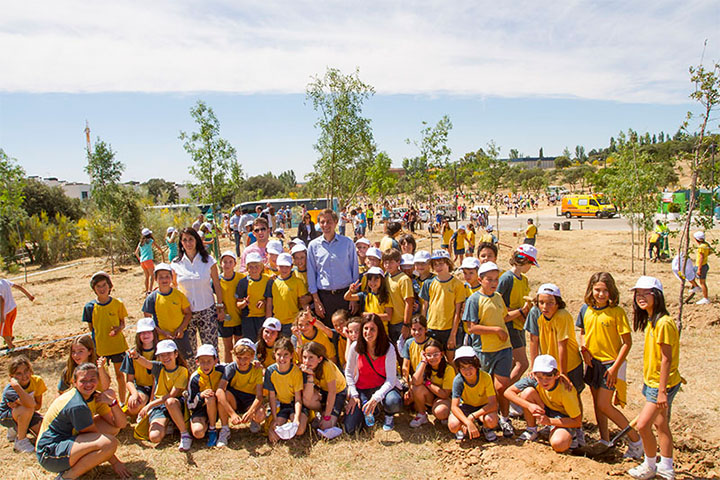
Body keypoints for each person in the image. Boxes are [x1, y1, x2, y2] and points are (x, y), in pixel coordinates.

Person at [577, 272, 642, 458]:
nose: (601, 294)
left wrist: (614, 368)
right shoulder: (585, 309)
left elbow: (627, 343)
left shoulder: (617, 312)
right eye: (597, 290)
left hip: (610, 364)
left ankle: (635, 439)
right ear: (591, 290)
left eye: (605, 291)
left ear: (611, 291)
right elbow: (582, 331)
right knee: (598, 404)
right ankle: (605, 440)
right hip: (592, 363)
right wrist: (584, 349)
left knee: (605, 405)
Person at [627, 276, 682, 480]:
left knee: (643, 426)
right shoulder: (652, 321)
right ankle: (666, 467)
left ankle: (650, 465)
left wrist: (661, 391)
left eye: (645, 293)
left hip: (661, 385)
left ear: (656, 295)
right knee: (661, 425)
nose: (640, 298)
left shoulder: (664, 323)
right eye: (637, 294)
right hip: (653, 382)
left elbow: (666, 359)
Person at [36, 363, 129, 479]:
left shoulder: (94, 397)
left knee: (112, 427)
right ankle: (67, 477)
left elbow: (121, 424)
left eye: (92, 379)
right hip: (49, 454)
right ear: (74, 382)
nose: (88, 384)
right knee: (109, 443)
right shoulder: (77, 405)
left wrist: (113, 403)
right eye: (83, 381)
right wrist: (115, 462)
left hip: (67, 440)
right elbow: (94, 436)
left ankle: (82, 463)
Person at [525, 283, 586, 444]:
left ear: (558, 303)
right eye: (542, 302)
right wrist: (534, 366)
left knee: (573, 394)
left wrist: (563, 372)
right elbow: (533, 340)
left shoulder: (562, 316)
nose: (545, 306)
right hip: (548, 365)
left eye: (550, 302)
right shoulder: (535, 314)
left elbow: (562, 345)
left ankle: (578, 429)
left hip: (569, 364)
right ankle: (554, 421)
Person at [462, 262, 514, 438]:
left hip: (503, 348)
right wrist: (496, 331)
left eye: (496, 279)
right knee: (485, 387)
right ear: (480, 280)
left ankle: (505, 418)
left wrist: (524, 311)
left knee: (502, 386)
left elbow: (505, 317)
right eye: (489, 279)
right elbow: (472, 328)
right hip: (484, 350)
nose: (493, 283)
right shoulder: (474, 300)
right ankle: (484, 420)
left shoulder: (498, 297)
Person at [504, 355, 582, 453]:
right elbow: (508, 392)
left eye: (548, 376)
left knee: (559, 444)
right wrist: (529, 405)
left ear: (556, 375)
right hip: (546, 407)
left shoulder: (565, 391)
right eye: (539, 377)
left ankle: (570, 436)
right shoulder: (533, 379)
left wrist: (549, 421)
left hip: (564, 417)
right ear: (534, 374)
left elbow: (577, 421)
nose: (544, 381)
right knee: (527, 392)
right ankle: (531, 430)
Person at [171, 227, 225, 358]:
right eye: (185, 240)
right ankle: (192, 377)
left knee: (210, 349)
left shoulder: (208, 261)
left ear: (196, 241)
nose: (188, 243)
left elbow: (217, 285)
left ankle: (212, 376)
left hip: (207, 310)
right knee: (188, 350)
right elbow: (174, 286)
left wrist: (220, 306)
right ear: (181, 243)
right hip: (185, 313)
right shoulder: (175, 264)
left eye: (191, 239)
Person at [344, 314, 402, 433]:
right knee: (350, 429)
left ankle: (388, 414)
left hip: (383, 387)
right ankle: (372, 410)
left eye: (372, 329)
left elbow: (391, 379)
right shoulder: (355, 347)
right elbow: (349, 372)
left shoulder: (388, 348)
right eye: (365, 328)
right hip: (362, 389)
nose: (368, 332)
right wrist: (354, 395)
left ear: (379, 331)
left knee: (394, 402)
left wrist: (376, 398)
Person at [132, 339, 192, 451]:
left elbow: (171, 395)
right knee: (155, 437)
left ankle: (185, 435)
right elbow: (146, 363)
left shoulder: (182, 370)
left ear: (176, 354)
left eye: (168, 354)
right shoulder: (159, 367)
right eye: (161, 355)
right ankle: (169, 423)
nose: (165, 358)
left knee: (170, 402)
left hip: (175, 404)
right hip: (160, 406)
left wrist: (149, 405)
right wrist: (136, 356)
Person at [307, 209, 360, 326]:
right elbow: (311, 274)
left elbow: (354, 270)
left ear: (336, 222)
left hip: (345, 296)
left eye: (329, 221)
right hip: (325, 298)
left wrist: (353, 297)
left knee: (348, 332)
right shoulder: (313, 246)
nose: (325, 225)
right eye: (322, 222)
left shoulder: (347, 243)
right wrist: (316, 301)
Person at [82, 271, 128, 403]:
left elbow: (122, 323)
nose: (102, 289)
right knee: (103, 379)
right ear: (94, 289)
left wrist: (118, 329)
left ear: (110, 286)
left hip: (117, 346)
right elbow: (92, 328)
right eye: (98, 287)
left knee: (120, 376)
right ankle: (106, 403)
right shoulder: (89, 307)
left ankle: (123, 402)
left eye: (104, 285)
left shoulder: (118, 304)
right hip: (100, 348)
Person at [497, 245, 538, 384]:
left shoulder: (524, 279)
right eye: (530, 264)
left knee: (514, 363)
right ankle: (505, 392)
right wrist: (520, 311)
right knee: (523, 364)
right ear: (524, 261)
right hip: (509, 325)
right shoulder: (506, 278)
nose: (530, 267)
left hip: (520, 324)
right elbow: (497, 303)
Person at [216, 339, 265, 447]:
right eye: (239, 357)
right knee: (222, 396)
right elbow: (219, 391)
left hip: (249, 400)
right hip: (235, 398)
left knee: (260, 414)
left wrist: (251, 411)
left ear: (252, 357)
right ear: (234, 356)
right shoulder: (231, 368)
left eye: (246, 358)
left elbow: (259, 396)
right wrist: (232, 414)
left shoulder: (256, 370)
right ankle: (225, 429)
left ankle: (254, 421)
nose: (242, 361)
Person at [142, 263, 193, 364]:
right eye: (161, 277)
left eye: (167, 276)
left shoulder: (179, 295)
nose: (164, 280)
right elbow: (147, 321)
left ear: (171, 278)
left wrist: (181, 329)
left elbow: (188, 313)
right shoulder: (152, 298)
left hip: (180, 336)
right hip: (162, 338)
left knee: (185, 362)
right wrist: (162, 332)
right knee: (167, 362)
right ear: (155, 279)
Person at [419, 250, 465, 358]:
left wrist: (453, 335)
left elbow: (457, 312)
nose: (438, 267)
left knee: (451, 359)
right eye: (435, 264)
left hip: (449, 329)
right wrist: (423, 327)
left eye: (441, 263)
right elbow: (425, 307)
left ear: (448, 263)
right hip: (431, 328)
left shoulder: (457, 285)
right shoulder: (428, 283)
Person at [448, 346, 498, 441]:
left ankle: (486, 428)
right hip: (466, 406)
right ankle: (463, 427)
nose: (467, 371)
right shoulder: (458, 380)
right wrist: (467, 421)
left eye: (470, 367)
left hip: (483, 407)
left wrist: (472, 416)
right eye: (463, 367)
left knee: (490, 420)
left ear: (476, 365)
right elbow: (454, 406)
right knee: (453, 425)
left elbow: (493, 404)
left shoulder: (485, 377)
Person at [300, 342, 347, 439]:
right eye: (304, 357)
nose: (306, 361)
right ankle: (322, 412)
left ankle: (332, 412)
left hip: (337, 392)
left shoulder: (327, 366)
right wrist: (310, 376)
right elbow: (307, 397)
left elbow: (332, 392)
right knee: (306, 399)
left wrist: (327, 417)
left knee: (326, 427)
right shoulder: (306, 368)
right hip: (322, 390)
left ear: (320, 359)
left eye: (311, 357)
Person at [264, 337, 307, 443]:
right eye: (279, 355)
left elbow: (298, 399)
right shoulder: (270, 371)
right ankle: (283, 421)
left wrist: (296, 418)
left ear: (291, 355)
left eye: (286, 355)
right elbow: (272, 397)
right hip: (281, 405)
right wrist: (274, 418)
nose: (282, 358)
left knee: (299, 430)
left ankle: (304, 417)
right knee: (273, 437)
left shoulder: (296, 372)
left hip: (294, 405)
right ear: (274, 354)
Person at [0, 355, 46, 453]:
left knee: (45, 434)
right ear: (12, 377)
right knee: (25, 408)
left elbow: (36, 406)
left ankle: (17, 428)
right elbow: (30, 405)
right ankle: (21, 441)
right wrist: (16, 386)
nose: (24, 376)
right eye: (19, 374)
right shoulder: (11, 389)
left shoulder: (37, 381)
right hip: (6, 416)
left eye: (26, 371)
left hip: (28, 413)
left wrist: (25, 404)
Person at [408, 339, 455, 428]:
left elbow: (444, 394)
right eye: (429, 355)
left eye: (436, 354)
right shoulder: (424, 364)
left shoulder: (448, 369)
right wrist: (423, 361)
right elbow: (415, 381)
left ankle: (446, 414)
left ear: (442, 354)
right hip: (431, 396)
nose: (432, 358)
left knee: (440, 412)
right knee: (416, 387)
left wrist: (427, 383)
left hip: (444, 398)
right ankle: (422, 415)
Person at [265, 253, 311, 336]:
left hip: (293, 322)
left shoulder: (298, 282)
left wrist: (307, 319)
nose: (284, 269)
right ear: (277, 266)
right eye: (281, 266)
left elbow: (304, 302)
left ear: (291, 266)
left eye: (287, 266)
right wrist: (268, 321)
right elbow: (269, 304)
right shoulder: (272, 282)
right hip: (277, 322)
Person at [187, 344, 224, 447]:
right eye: (202, 361)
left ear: (215, 361)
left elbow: (237, 365)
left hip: (217, 407)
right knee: (198, 433)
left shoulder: (221, 370)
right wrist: (200, 396)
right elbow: (190, 404)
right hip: (200, 409)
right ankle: (204, 423)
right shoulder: (195, 378)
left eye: (209, 361)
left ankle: (212, 430)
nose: (206, 365)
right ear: (197, 362)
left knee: (211, 397)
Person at [120, 318, 157, 418]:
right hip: (142, 388)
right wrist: (134, 394)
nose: (145, 335)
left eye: (149, 332)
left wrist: (151, 402)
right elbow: (129, 380)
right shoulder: (132, 354)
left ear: (154, 333)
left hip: (159, 388)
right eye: (142, 333)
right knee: (133, 406)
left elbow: (156, 380)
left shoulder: (161, 352)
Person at [235, 252, 271, 343]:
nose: (254, 269)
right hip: (248, 319)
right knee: (250, 342)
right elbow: (238, 304)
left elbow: (271, 298)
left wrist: (264, 302)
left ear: (262, 267)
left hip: (263, 317)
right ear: (247, 268)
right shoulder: (243, 283)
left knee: (262, 342)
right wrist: (244, 303)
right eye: (251, 267)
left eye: (257, 266)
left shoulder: (267, 280)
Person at [382, 249, 415, 343]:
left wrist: (406, 324)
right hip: (390, 322)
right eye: (386, 262)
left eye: (391, 262)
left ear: (398, 263)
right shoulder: (386, 277)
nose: (388, 265)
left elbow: (409, 303)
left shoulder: (404, 279)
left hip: (401, 322)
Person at [218, 251, 243, 363]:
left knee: (239, 348)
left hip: (239, 318)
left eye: (230, 262)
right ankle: (227, 371)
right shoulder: (216, 280)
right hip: (225, 320)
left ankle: (239, 370)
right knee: (228, 348)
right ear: (220, 263)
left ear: (235, 263)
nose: (227, 264)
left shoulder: (241, 278)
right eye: (225, 262)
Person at [0, 278, 35, 349]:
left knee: (4, 333)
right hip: (13, 308)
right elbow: (18, 286)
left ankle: (12, 349)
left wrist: (1, 314)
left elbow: (1, 300)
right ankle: (10, 343)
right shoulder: (4, 281)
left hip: (5, 311)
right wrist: (29, 296)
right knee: (7, 329)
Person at [135, 228, 164, 295]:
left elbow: (136, 253)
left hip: (142, 261)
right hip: (148, 260)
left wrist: (140, 259)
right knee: (152, 275)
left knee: (147, 276)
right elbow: (157, 247)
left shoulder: (140, 243)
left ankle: (146, 289)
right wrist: (161, 251)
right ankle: (150, 290)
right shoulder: (150, 241)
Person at [692, 231, 710, 305]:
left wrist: (699, 269)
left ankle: (705, 298)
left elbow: (701, 258)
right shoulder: (706, 245)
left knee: (702, 283)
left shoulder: (701, 247)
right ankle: (695, 287)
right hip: (704, 265)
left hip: (701, 266)